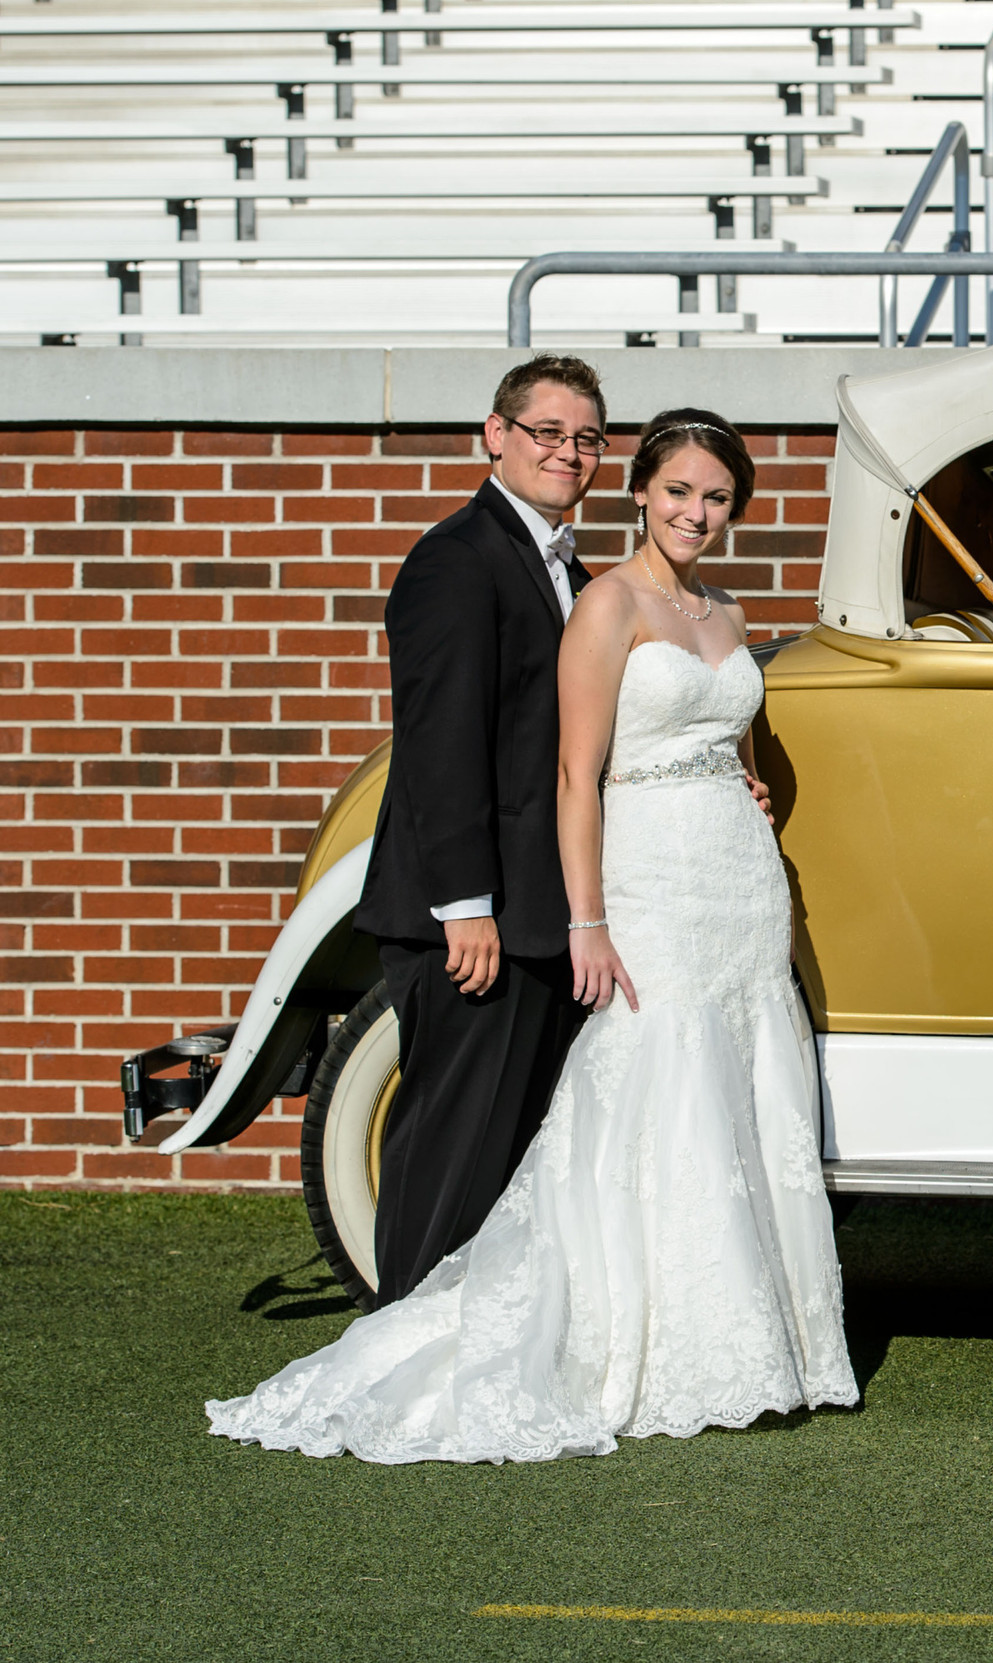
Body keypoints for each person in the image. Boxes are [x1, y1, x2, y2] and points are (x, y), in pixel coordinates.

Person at [207, 409, 855, 1462]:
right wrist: (588, 919)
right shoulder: (605, 603)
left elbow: (737, 742)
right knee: (649, 1087)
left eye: (717, 497)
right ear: (641, 490)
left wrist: (750, 788)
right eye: (679, 490)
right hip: (649, 878)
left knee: (740, 1092)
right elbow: (574, 773)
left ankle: (755, 1336)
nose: (696, 512)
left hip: (737, 884)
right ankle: (624, 1339)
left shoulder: (728, 614)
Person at [349, 355, 606, 1306]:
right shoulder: (456, 559)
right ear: (494, 434)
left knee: (507, 1158)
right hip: (472, 921)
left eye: (585, 438)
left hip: (540, 916)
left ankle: (470, 1356)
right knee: (448, 1154)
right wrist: (465, 908)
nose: (566, 452)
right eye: (546, 431)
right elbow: (438, 745)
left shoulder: (565, 565)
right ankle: (399, 1345)